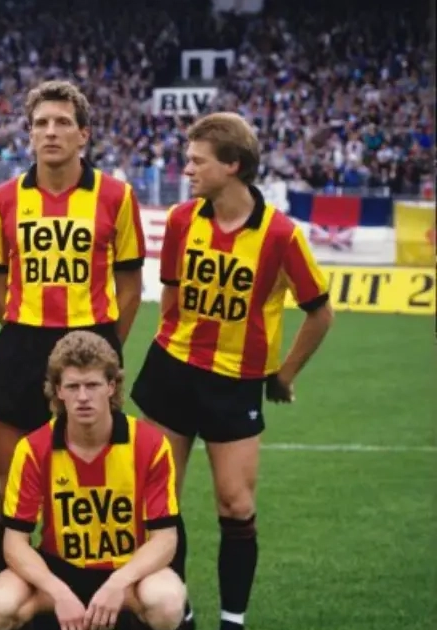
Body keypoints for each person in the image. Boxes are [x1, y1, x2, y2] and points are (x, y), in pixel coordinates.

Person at [130, 112, 334, 630]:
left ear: (233, 166)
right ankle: (179, 611)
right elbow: (171, 292)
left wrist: (284, 374)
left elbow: (320, 312)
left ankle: (232, 620)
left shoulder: (280, 235)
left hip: (235, 383)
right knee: (158, 501)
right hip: (172, 371)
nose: (187, 169)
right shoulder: (181, 219)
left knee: (235, 504)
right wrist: (174, 339)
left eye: (197, 161)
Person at [0, 80, 144, 488]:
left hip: (91, 340)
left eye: (63, 122)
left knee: (87, 479)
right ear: (30, 133)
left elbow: (130, 284)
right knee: (12, 480)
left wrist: (106, 344)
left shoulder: (116, 196)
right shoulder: (3, 199)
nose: (51, 132)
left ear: (83, 134)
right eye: (41, 123)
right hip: (21, 344)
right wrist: (16, 322)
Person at [0, 331, 187, 630]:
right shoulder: (34, 448)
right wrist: (58, 591)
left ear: (111, 386)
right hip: (59, 571)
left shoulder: (149, 444)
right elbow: (14, 543)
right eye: (73, 387)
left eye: (92, 385)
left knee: (166, 601)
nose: (83, 397)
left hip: (128, 573)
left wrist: (118, 582)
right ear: (58, 391)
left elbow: (165, 538)